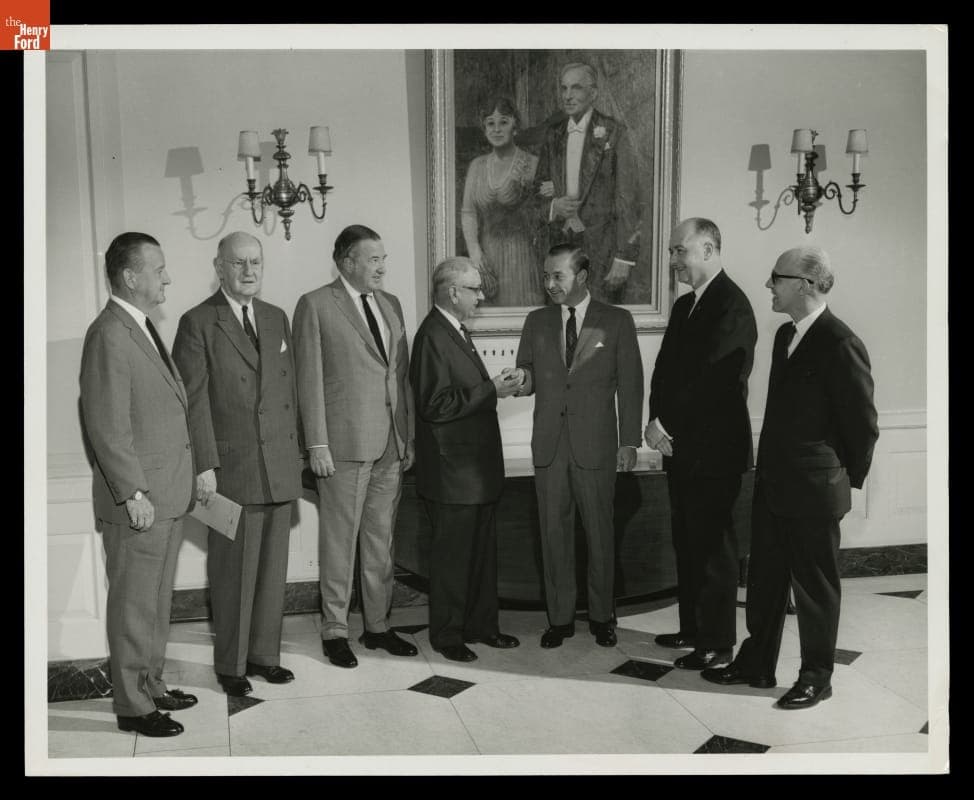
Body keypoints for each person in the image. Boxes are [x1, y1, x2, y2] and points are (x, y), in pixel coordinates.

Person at [702, 246, 879, 710]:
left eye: (776, 278)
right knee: (764, 580)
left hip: (814, 492)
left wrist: (838, 479)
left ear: (804, 284)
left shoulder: (841, 342)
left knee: (815, 590)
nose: (769, 286)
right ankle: (756, 664)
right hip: (774, 485)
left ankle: (816, 677)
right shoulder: (785, 336)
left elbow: (862, 425)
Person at [172, 232, 303, 698]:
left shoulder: (276, 318)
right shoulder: (198, 322)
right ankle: (231, 663)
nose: (249, 271)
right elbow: (192, 402)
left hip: (279, 466)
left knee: (272, 570)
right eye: (239, 263)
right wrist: (203, 465)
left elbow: (287, 394)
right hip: (230, 470)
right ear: (220, 267)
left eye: (256, 263)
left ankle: (265, 656)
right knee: (233, 575)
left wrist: (300, 457)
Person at [79, 232, 197, 737]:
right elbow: (107, 425)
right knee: (132, 606)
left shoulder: (140, 327)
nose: (167, 277)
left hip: (166, 495)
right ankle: (132, 705)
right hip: (140, 502)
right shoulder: (108, 333)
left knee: (155, 602)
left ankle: (151, 683)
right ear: (131, 277)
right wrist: (133, 493)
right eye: (159, 269)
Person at [292, 225, 417, 669]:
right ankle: (335, 631)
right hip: (342, 446)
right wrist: (317, 444)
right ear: (347, 262)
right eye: (374, 259)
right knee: (340, 543)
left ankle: (379, 626)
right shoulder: (315, 305)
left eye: (384, 259)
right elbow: (307, 380)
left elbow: (399, 376)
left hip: (390, 443)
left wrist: (408, 435)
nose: (382, 267)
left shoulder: (391, 304)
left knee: (380, 542)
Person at [514, 243, 643, 648]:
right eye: (546, 276)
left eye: (559, 276)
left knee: (600, 533)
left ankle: (603, 617)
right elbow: (530, 375)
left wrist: (629, 442)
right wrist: (520, 380)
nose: (550, 284)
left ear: (582, 276)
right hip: (550, 447)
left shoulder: (617, 321)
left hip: (598, 447)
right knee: (553, 535)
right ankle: (560, 619)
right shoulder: (535, 321)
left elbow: (632, 384)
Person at [645, 218, 757, 671]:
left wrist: (665, 422)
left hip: (715, 452)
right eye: (672, 252)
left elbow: (716, 381)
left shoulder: (733, 305)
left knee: (713, 549)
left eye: (680, 251)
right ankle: (692, 628)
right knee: (688, 543)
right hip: (682, 449)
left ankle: (716, 642)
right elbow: (666, 371)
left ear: (709, 249)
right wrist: (654, 420)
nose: (673, 261)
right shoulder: (685, 306)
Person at [410, 257, 522, 662]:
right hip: (452, 474)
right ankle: (447, 636)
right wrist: (491, 388)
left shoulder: (454, 331)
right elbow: (434, 405)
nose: (482, 296)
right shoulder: (432, 335)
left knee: (480, 556)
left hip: (472, 473)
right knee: (454, 560)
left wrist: (493, 388)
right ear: (453, 292)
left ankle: (481, 627)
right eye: (475, 289)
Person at [535, 62, 641, 304]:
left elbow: (629, 200)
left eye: (576, 88)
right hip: (559, 249)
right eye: (564, 89)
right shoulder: (553, 135)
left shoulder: (614, 132)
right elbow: (537, 193)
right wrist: (553, 207)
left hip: (601, 250)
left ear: (593, 93)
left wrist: (623, 257)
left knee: (597, 326)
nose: (568, 96)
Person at [460, 96, 544, 307]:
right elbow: (468, 212)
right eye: (491, 123)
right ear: (484, 127)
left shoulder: (532, 164)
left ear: (514, 124)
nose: (496, 129)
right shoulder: (477, 166)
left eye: (503, 122)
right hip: (486, 256)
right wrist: (474, 250)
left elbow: (542, 213)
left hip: (521, 257)